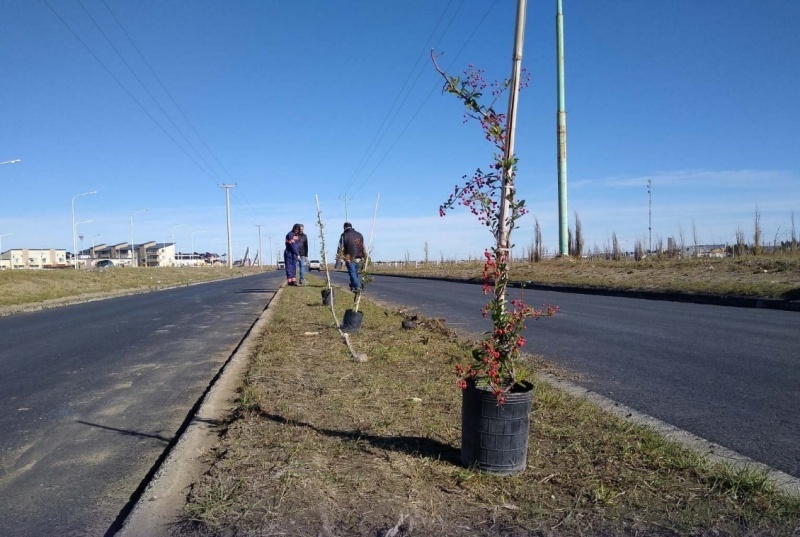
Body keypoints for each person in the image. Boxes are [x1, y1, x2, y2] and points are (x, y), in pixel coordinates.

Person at [336, 222, 365, 293]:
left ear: (344, 227)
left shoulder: (344, 235)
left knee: (352, 273)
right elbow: (362, 247)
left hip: (348, 257)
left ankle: (357, 287)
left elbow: (340, 247)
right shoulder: (359, 235)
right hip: (359, 257)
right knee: (355, 273)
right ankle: (352, 285)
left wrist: (339, 258)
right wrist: (364, 256)